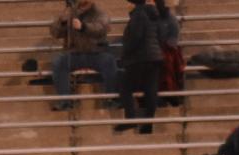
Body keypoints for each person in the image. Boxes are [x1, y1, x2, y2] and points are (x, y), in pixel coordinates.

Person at [48, 0, 117, 110]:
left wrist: (83, 27)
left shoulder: (100, 13)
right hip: (74, 54)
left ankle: (110, 99)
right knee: (58, 62)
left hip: (96, 53)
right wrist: (62, 22)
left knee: (109, 61)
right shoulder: (70, 13)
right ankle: (65, 101)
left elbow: (101, 28)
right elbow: (55, 33)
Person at [114, 0, 165, 134]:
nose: (127, 5)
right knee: (150, 90)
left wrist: (125, 54)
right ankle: (148, 124)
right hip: (154, 57)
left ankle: (131, 119)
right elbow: (160, 36)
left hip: (139, 58)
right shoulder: (154, 14)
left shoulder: (139, 13)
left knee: (125, 86)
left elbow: (135, 37)